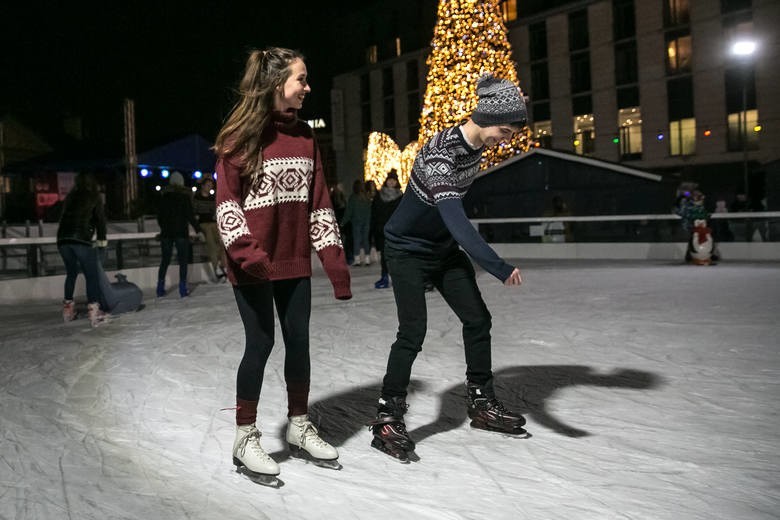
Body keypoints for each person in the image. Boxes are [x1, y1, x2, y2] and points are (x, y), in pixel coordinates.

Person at [368, 74, 527, 462]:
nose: (504, 139)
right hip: (406, 249)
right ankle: (387, 417)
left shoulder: (476, 148)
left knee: (477, 319)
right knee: (412, 331)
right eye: (504, 131)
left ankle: (480, 402)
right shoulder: (439, 154)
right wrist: (498, 266)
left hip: (441, 249)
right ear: (486, 117)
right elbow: (456, 219)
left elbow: (451, 225)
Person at [213, 47, 352, 482]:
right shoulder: (239, 139)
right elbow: (225, 205)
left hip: (293, 262)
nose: (308, 88)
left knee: (299, 343)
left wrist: (335, 264)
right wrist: (248, 255)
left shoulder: (307, 139)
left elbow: (319, 205)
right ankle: (244, 434)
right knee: (260, 344)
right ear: (278, 85)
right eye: (301, 80)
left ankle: (298, 424)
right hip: (253, 265)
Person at [56, 172, 109, 327]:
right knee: (91, 275)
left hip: (63, 239)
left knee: (71, 273)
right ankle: (94, 312)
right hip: (80, 239)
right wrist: (102, 242)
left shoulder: (70, 197)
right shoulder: (94, 196)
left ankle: (68, 311)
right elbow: (100, 221)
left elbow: (63, 217)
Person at [156, 171, 201, 297]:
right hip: (181, 232)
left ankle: (160, 287)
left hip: (166, 233)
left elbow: (159, 217)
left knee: (165, 260)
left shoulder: (164, 198)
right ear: (181, 183)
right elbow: (190, 216)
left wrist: (164, 228)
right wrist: (198, 230)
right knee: (183, 261)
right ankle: (182, 288)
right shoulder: (184, 198)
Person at [370, 170, 403, 288]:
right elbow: (374, 213)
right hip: (381, 230)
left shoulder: (400, 197)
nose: (391, 182)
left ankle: (397, 277)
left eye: (393, 181)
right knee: (384, 255)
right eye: (389, 180)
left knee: (396, 255)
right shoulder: (379, 196)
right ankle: (384, 276)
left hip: (396, 231)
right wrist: (374, 229)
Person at [193, 176, 226, 282]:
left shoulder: (212, 198)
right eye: (207, 185)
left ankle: (223, 265)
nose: (209, 187)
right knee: (211, 243)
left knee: (222, 243)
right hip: (204, 224)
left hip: (213, 223)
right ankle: (216, 268)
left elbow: (216, 211)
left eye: (211, 185)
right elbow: (194, 214)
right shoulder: (197, 198)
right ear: (202, 186)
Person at [341, 179, 373, 266]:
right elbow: (370, 210)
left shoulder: (353, 198)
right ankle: (367, 258)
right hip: (366, 221)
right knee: (366, 239)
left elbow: (349, 212)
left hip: (356, 222)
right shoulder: (367, 197)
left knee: (357, 240)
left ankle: (357, 259)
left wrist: (343, 222)